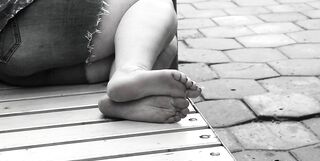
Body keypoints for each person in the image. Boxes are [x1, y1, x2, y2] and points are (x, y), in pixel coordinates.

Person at [0, 0, 201, 123]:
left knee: (161, 40)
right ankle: (129, 71)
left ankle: (124, 102)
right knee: (155, 6)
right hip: (24, 20)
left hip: (12, 68)